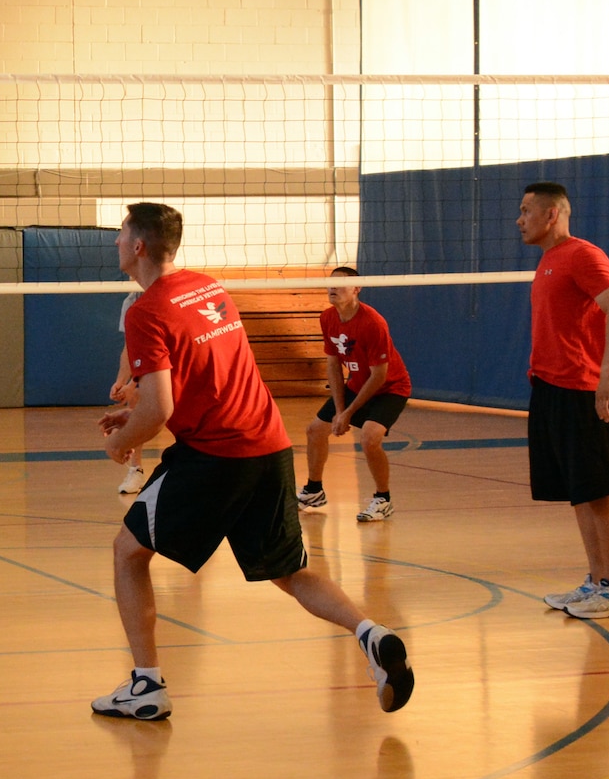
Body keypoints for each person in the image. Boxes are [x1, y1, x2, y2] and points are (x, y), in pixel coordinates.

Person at [94, 202, 413, 722]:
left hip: (217, 454)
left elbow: (161, 408)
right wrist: (134, 408)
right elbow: (196, 375)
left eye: (121, 233)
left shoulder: (145, 310)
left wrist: (121, 441)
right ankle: (371, 635)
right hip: (267, 443)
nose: (115, 243)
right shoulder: (209, 287)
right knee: (289, 570)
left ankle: (146, 685)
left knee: (128, 552)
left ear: (139, 247)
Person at [519, 182, 609, 619]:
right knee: (580, 492)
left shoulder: (584, 255)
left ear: (552, 215)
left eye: (527, 210)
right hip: (548, 388)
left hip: (580, 389)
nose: (519, 219)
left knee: (600, 489)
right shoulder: (549, 260)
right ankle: (598, 581)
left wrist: (607, 372)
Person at [298, 266, 412, 523]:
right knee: (315, 430)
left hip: (389, 388)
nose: (332, 288)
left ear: (357, 288)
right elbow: (333, 366)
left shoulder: (373, 323)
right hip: (357, 385)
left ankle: (383, 500)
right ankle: (313, 491)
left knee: (370, 437)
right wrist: (340, 410)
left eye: (340, 284)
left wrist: (348, 413)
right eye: (330, 283)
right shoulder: (327, 318)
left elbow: (379, 376)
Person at [110, 292, 147, 494]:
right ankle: (136, 469)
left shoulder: (166, 297)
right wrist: (120, 382)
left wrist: (132, 384)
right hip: (150, 368)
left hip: (175, 367)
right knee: (134, 400)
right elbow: (130, 348)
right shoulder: (131, 301)